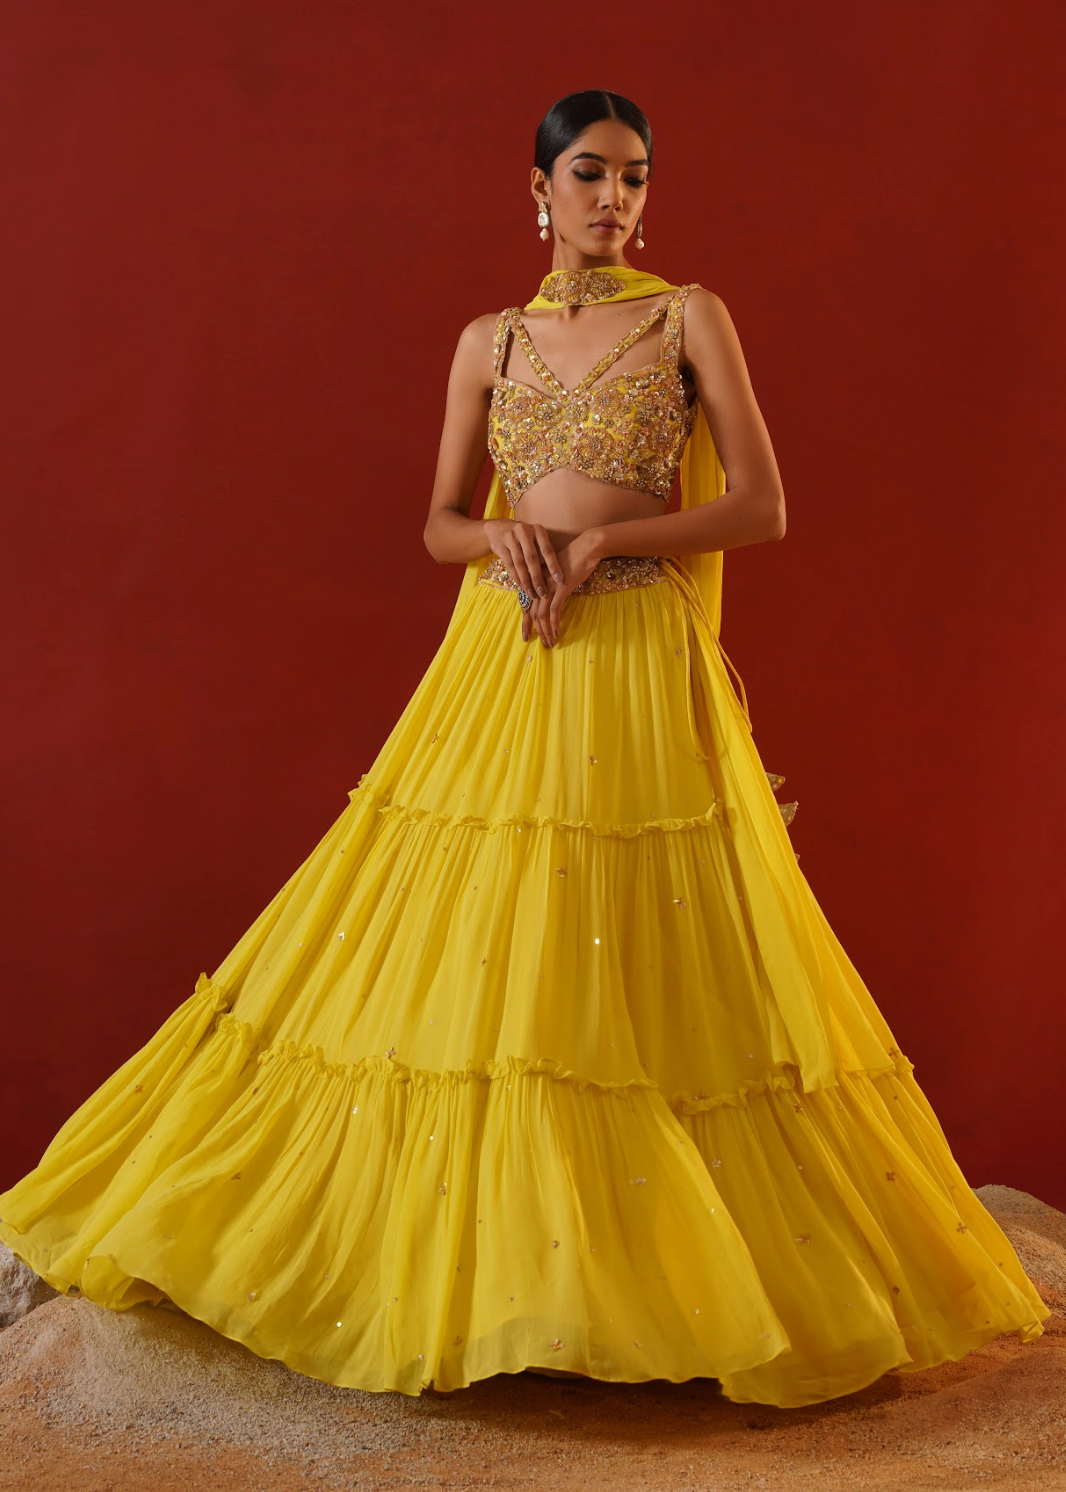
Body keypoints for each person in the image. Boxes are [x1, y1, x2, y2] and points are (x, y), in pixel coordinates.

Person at [0, 88, 1050, 1409]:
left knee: (638, 940)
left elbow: (761, 506)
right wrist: (498, 537)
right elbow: (440, 521)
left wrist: (608, 539)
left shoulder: (689, 318)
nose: (616, 197)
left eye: (636, 176)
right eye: (591, 173)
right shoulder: (487, 342)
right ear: (539, 189)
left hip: (632, 656)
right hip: (507, 653)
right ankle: (506, 1282)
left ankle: (650, 1285)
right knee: (484, 947)